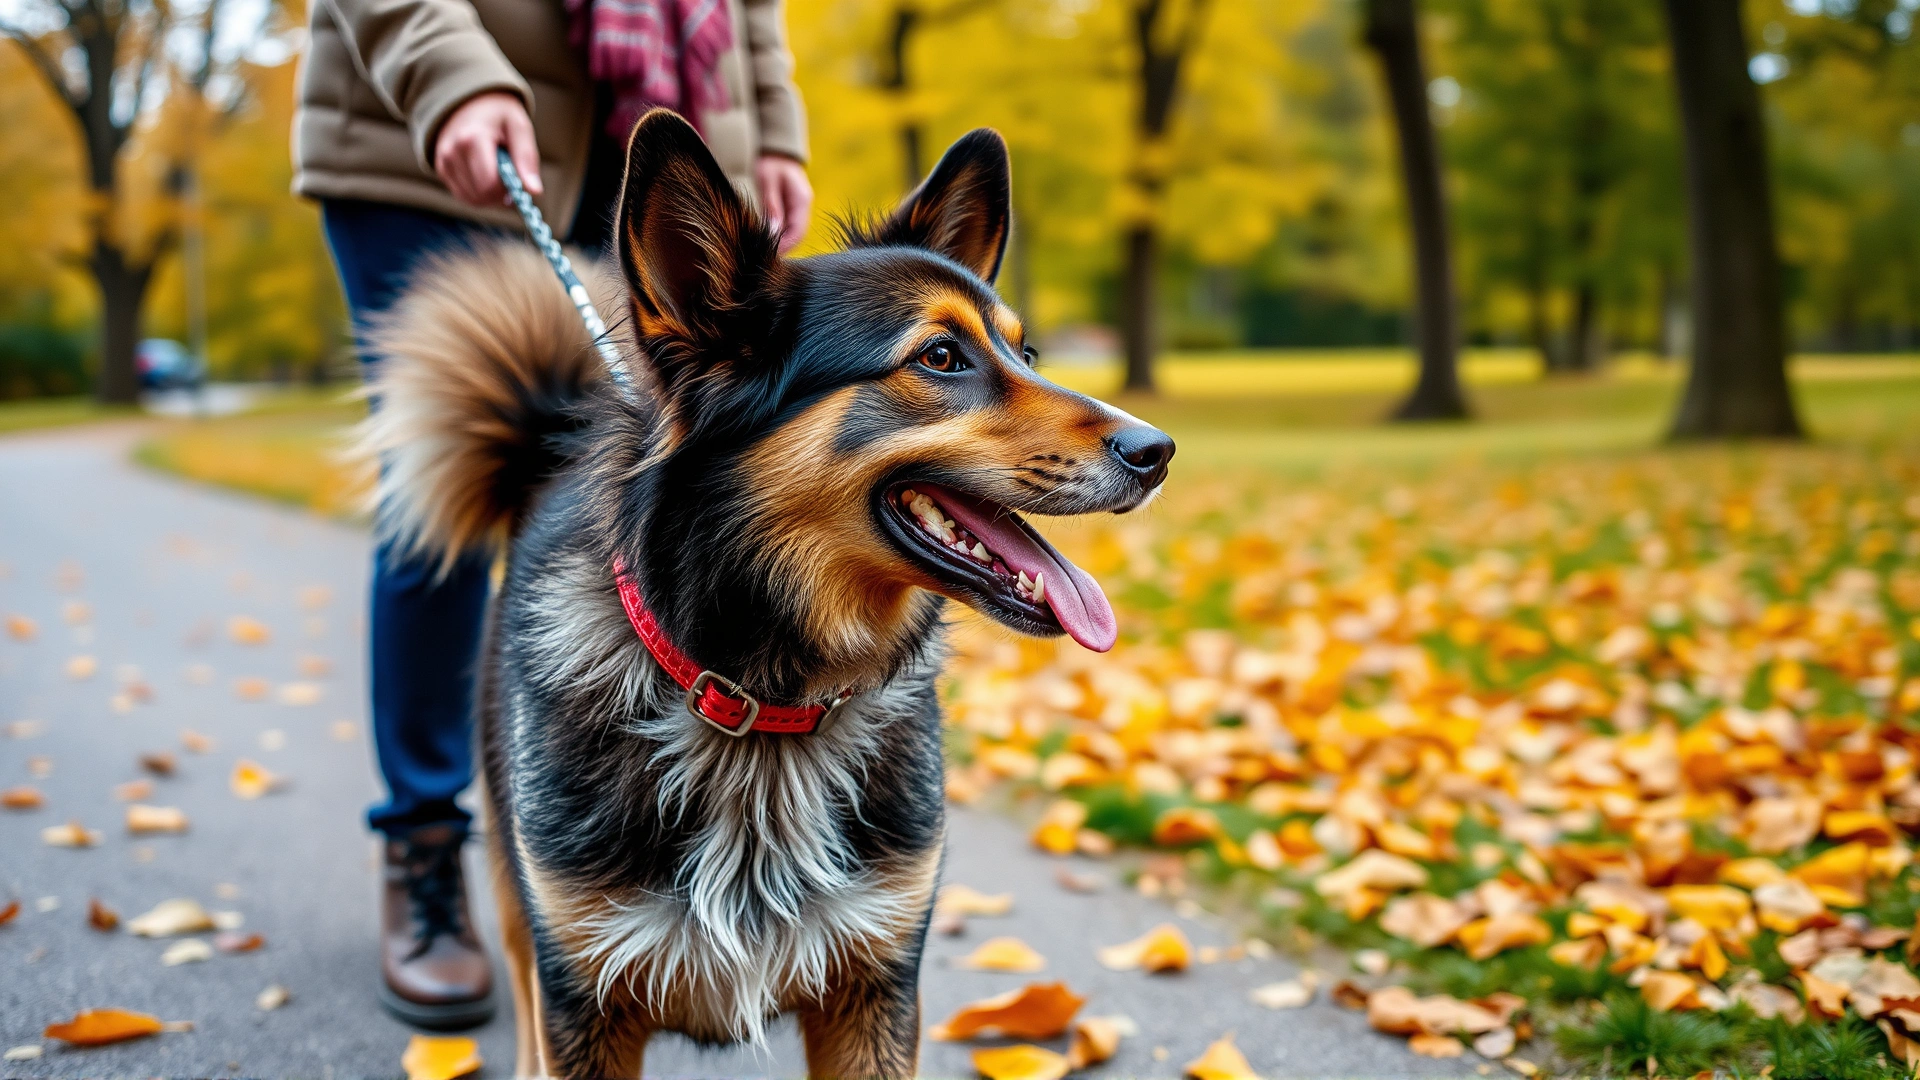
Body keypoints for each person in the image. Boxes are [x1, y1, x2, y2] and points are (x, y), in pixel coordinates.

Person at [291, 0, 812, 1030]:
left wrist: (773, 132)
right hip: (424, 135)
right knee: (444, 497)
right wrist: (451, 74)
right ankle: (427, 849)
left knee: (624, 498)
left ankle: (627, 855)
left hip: (641, 134)